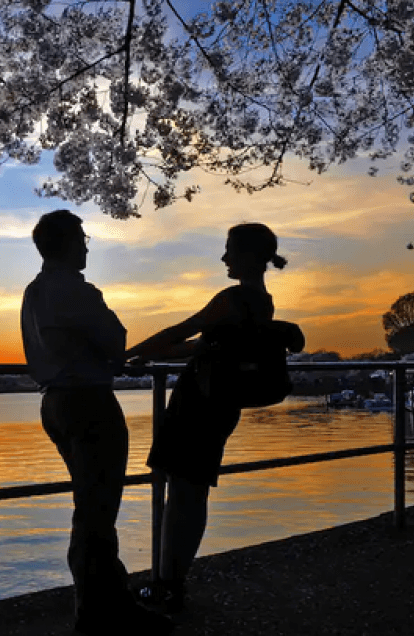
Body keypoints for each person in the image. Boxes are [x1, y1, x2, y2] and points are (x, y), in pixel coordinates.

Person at [125, 222, 304, 614]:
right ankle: (171, 580)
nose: (223, 258)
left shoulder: (233, 298)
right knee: (192, 492)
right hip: (220, 405)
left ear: (251, 256)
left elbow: (181, 330)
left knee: (183, 495)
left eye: (230, 250)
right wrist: (150, 356)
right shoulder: (262, 301)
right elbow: (203, 346)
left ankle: (168, 585)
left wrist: (120, 357)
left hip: (199, 404)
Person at [20, 209, 173, 636]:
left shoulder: (34, 291)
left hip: (54, 401)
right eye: (83, 238)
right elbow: (114, 340)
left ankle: (106, 603)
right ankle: (98, 612)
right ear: (69, 242)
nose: (87, 246)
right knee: (98, 510)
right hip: (88, 401)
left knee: (89, 506)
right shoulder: (76, 289)